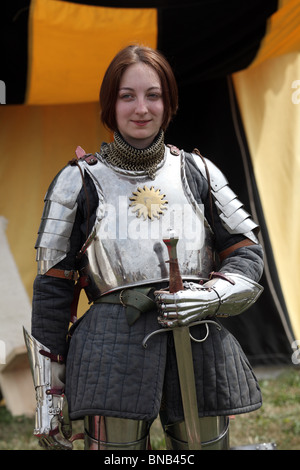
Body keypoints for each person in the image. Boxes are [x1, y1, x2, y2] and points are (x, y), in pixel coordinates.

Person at [24, 44, 264, 451]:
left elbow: (247, 254)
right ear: (110, 104)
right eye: (127, 96)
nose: (141, 108)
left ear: (168, 102)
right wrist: (48, 396)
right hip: (108, 349)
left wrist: (209, 296)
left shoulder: (200, 172)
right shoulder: (76, 182)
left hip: (199, 340)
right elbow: (52, 287)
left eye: (153, 95)